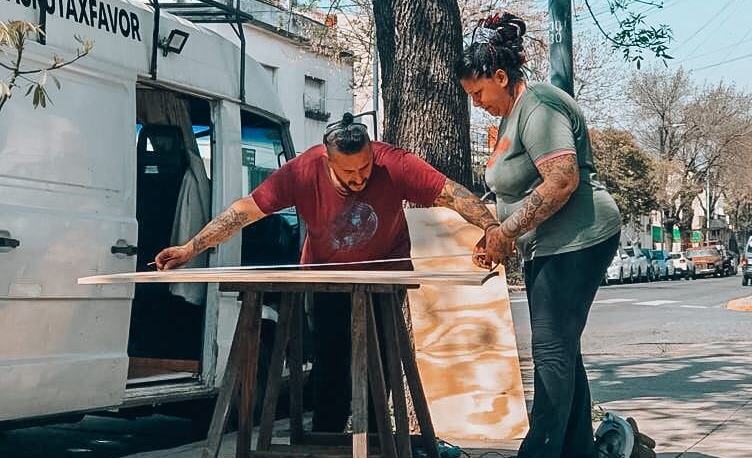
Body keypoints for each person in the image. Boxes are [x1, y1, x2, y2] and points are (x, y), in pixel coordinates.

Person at [155, 113, 498, 431]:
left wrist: (491, 227)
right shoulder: (302, 171)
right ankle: (328, 442)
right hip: (326, 278)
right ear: (327, 160)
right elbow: (245, 211)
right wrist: (190, 248)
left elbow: (452, 194)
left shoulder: (394, 163)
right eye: (349, 173)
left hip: (384, 278)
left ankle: (378, 446)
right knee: (330, 364)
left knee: (378, 366)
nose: (360, 178)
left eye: (365, 168)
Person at [457, 13, 621, 458]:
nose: (478, 104)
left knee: (550, 352)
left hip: (577, 239)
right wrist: (496, 231)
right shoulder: (514, 115)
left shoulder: (540, 106)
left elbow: (563, 179)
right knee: (563, 350)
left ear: (500, 77)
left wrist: (505, 232)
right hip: (549, 244)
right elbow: (517, 188)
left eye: (478, 93)